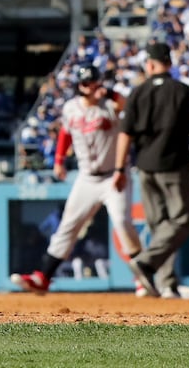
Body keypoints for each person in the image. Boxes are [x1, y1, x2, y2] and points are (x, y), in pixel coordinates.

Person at [10, 66, 143, 293]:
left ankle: (143, 277)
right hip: (87, 178)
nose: (88, 86)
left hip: (114, 175)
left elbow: (130, 108)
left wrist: (109, 94)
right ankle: (43, 277)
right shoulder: (71, 107)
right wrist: (59, 159)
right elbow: (65, 132)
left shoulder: (110, 105)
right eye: (85, 83)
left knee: (122, 223)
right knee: (68, 227)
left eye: (92, 82)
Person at [113, 40, 189, 300]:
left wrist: (119, 167)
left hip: (145, 166)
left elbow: (125, 134)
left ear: (149, 64)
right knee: (183, 219)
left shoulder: (137, 92)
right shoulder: (182, 90)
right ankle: (146, 264)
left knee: (160, 225)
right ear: (168, 63)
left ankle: (166, 283)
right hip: (174, 164)